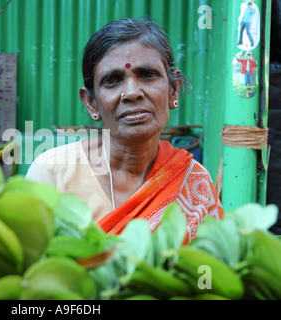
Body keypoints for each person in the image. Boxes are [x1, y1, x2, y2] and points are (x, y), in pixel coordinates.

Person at [25, 17, 224, 244]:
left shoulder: (194, 184)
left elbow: (210, 271)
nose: (131, 92)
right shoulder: (53, 173)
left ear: (173, 91)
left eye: (148, 75)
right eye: (112, 80)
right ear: (91, 103)